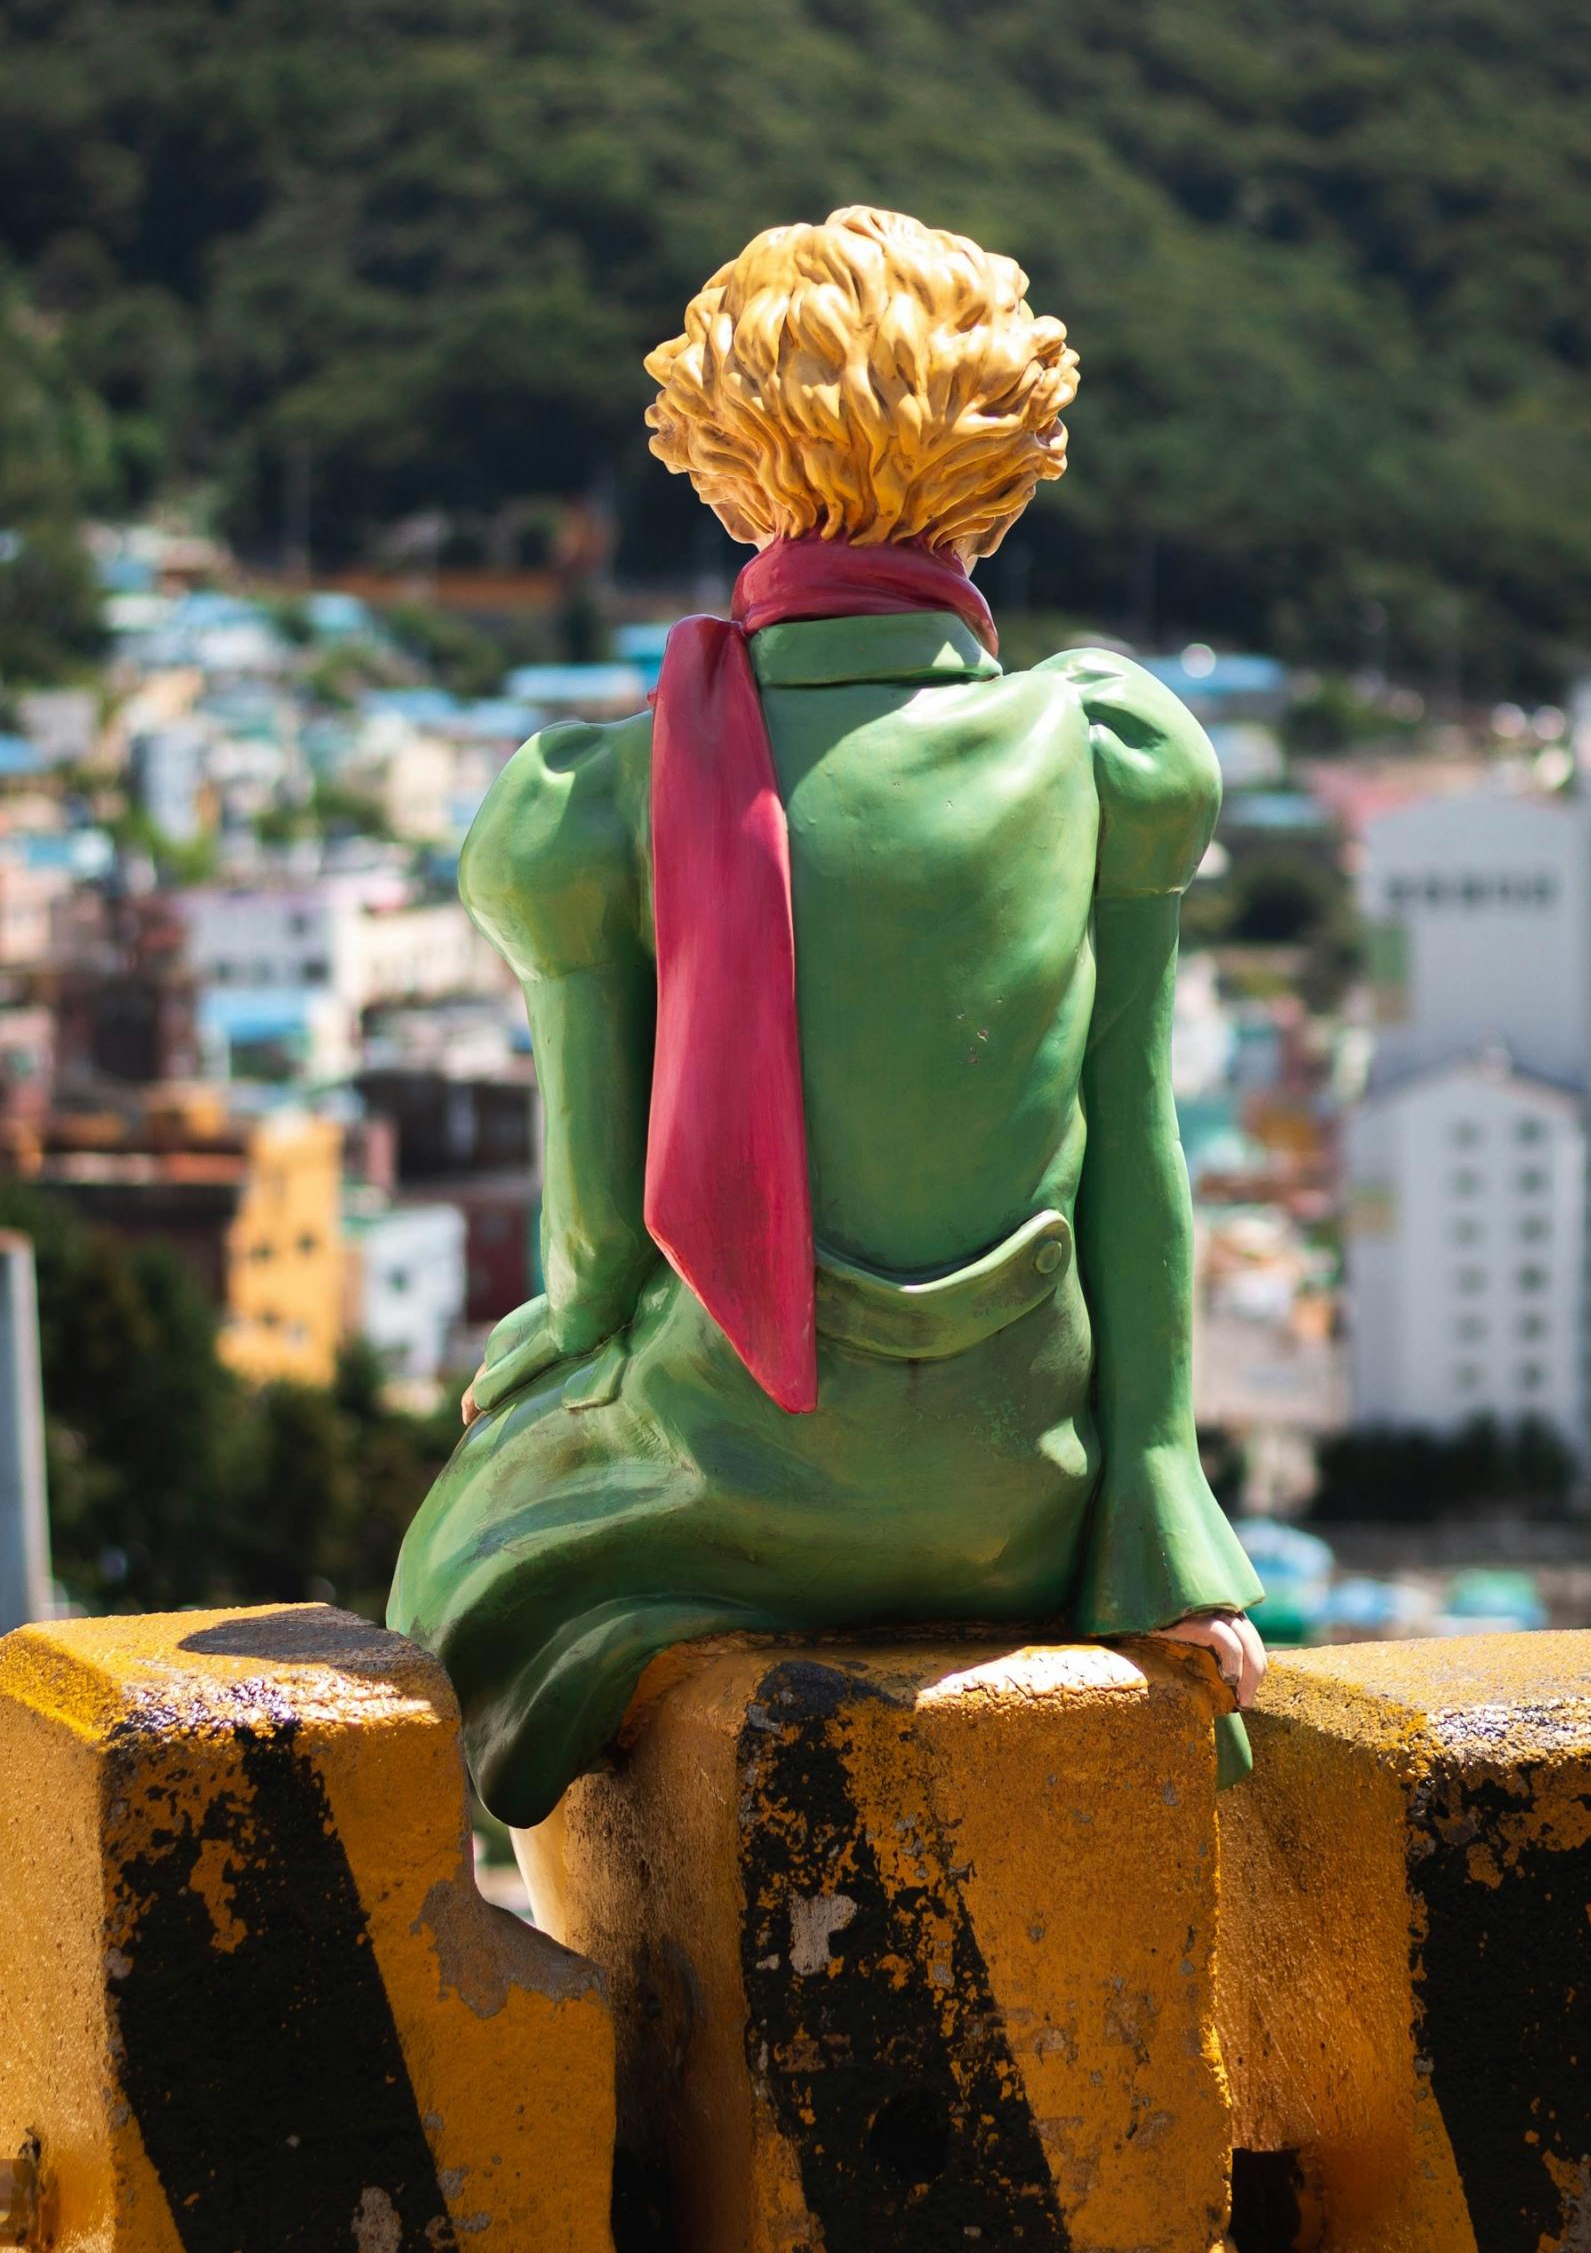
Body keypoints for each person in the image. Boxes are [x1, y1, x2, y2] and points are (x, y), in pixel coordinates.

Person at [389, 206, 1263, 1828]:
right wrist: (1158, 1507)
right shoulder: (1103, 752)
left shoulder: (600, 798)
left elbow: (596, 1253)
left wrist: (563, 1335)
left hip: (741, 1473)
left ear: (720, 452)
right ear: (1008, 457)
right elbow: (1136, 1154)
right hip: (1024, 1494)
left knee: (460, 1545)